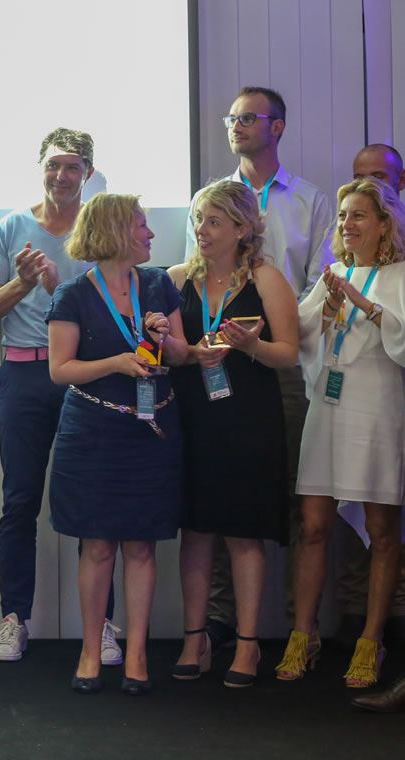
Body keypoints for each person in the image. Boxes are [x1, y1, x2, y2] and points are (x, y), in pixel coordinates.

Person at [191, 86, 335, 650]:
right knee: (216, 493)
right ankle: (219, 622)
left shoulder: (311, 200)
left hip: (283, 362)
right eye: (231, 118)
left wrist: (271, 323)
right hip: (215, 362)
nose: (236, 125)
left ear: (277, 127)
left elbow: (321, 282)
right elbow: (195, 272)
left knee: (294, 493)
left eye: (248, 117)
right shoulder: (208, 197)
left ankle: (301, 625)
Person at [0, 128, 121, 666]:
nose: (61, 175)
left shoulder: (100, 228)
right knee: (19, 501)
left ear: (88, 173)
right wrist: (23, 282)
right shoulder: (11, 227)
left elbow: (114, 312)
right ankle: (13, 618)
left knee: (95, 501)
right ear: (41, 168)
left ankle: (101, 626)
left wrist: (57, 287)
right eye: (53, 165)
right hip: (24, 375)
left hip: (85, 376)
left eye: (72, 166)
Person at [46, 193, 187, 696]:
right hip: (93, 434)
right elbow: (60, 370)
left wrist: (164, 338)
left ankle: (138, 653)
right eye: (142, 225)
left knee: (142, 545)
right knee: (98, 544)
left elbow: (181, 354)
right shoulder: (72, 295)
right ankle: (91, 651)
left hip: (150, 432)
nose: (151, 234)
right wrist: (118, 363)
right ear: (115, 232)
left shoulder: (159, 283)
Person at [167, 180, 299, 687]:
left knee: (244, 533)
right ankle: (194, 640)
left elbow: (288, 353)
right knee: (196, 531)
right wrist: (181, 349)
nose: (202, 230)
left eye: (214, 221)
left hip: (248, 421)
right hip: (192, 419)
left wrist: (251, 347)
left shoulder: (266, 279)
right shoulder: (176, 279)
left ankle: (247, 645)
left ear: (243, 229)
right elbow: (165, 351)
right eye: (199, 219)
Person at [277, 178, 405, 688]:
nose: (347, 224)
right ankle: (302, 634)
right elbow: (301, 335)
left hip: (376, 409)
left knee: (381, 530)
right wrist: (326, 311)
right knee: (312, 524)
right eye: (344, 215)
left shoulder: (399, 275)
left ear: (384, 224)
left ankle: (371, 641)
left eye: (359, 215)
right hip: (328, 409)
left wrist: (361, 302)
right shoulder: (332, 274)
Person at [334, 144, 405, 646]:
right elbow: (308, 332)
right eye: (362, 176)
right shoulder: (341, 259)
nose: (371, 183)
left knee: (386, 516)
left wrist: (366, 305)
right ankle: (355, 618)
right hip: (349, 397)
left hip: (389, 395)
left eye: (380, 176)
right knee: (343, 511)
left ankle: (389, 624)